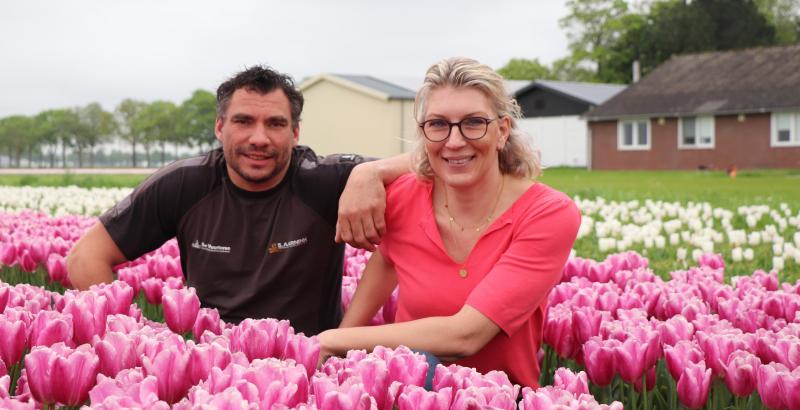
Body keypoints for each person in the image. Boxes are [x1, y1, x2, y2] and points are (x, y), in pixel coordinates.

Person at [66, 65, 410, 336]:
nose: (258, 138)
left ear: (295, 133)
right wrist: (132, 335)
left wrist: (370, 173)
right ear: (219, 127)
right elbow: (86, 257)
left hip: (307, 368)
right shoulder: (184, 184)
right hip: (212, 369)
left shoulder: (323, 180)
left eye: (275, 124)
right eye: (243, 121)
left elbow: (433, 162)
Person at [318, 57, 581, 387]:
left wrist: (329, 340)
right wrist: (339, 347)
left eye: (473, 123)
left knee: (420, 361)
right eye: (438, 124)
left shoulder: (547, 213)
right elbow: (387, 260)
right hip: (405, 398)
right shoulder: (402, 197)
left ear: (502, 131)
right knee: (415, 364)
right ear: (423, 133)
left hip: (498, 409)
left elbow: (466, 336)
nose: (454, 141)